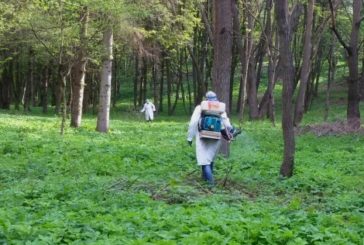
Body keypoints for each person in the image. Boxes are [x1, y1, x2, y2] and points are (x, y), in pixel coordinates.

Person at [187, 91, 238, 186]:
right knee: (210, 159)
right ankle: (205, 180)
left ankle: (211, 184)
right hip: (216, 136)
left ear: (206, 99)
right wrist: (231, 131)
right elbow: (226, 123)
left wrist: (190, 137)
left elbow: (193, 123)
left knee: (204, 161)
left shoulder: (200, 107)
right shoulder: (220, 108)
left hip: (202, 137)